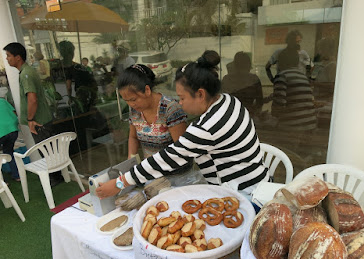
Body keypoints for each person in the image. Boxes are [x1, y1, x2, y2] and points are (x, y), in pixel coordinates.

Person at [96, 50, 268, 201]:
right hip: (258, 181)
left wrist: (120, 183)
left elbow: (169, 157)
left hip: (244, 195)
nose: (180, 103)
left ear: (200, 94)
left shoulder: (206, 128)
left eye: (182, 98)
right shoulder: (229, 100)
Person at [3, 42, 63, 186]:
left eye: (9, 56)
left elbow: (32, 99)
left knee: (46, 150)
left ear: (18, 57)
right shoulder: (26, 71)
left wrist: (30, 119)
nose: (7, 59)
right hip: (40, 119)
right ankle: (57, 175)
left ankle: (55, 177)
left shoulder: (26, 74)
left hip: (39, 121)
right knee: (48, 150)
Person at [118, 64, 188, 160]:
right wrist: (131, 160)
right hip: (150, 171)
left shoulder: (171, 109)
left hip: (175, 171)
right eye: (126, 100)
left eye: (133, 99)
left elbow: (181, 149)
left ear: (147, 90)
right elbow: (133, 138)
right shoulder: (135, 111)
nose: (131, 104)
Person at [268, 47, 317, 131]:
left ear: (281, 62)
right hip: (311, 124)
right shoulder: (303, 77)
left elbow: (278, 108)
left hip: (293, 127)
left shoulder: (282, 76)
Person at [59, 41, 98, 113]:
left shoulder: (69, 68)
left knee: (83, 111)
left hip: (84, 92)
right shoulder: (78, 66)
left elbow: (68, 87)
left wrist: (70, 98)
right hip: (91, 90)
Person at [221, 51, 263, 118]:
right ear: (248, 65)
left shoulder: (226, 79)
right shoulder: (254, 79)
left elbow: (222, 101)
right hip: (248, 116)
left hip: (230, 116)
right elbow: (259, 102)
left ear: (235, 65)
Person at [0, 97, 20, 181]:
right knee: (9, 152)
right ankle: (17, 175)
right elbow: (14, 113)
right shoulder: (2, 101)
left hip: (1, 132)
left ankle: (2, 182)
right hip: (12, 130)